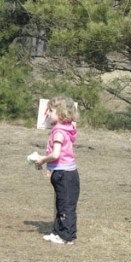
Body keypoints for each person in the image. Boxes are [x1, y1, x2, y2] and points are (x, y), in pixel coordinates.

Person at [36, 96, 79, 245]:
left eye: (51, 110)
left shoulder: (59, 132)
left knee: (65, 206)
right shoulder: (67, 128)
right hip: (64, 173)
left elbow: (55, 154)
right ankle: (57, 232)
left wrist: (42, 160)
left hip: (64, 175)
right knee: (61, 204)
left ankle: (66, 236)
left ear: (61, 113)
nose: (48, 113)